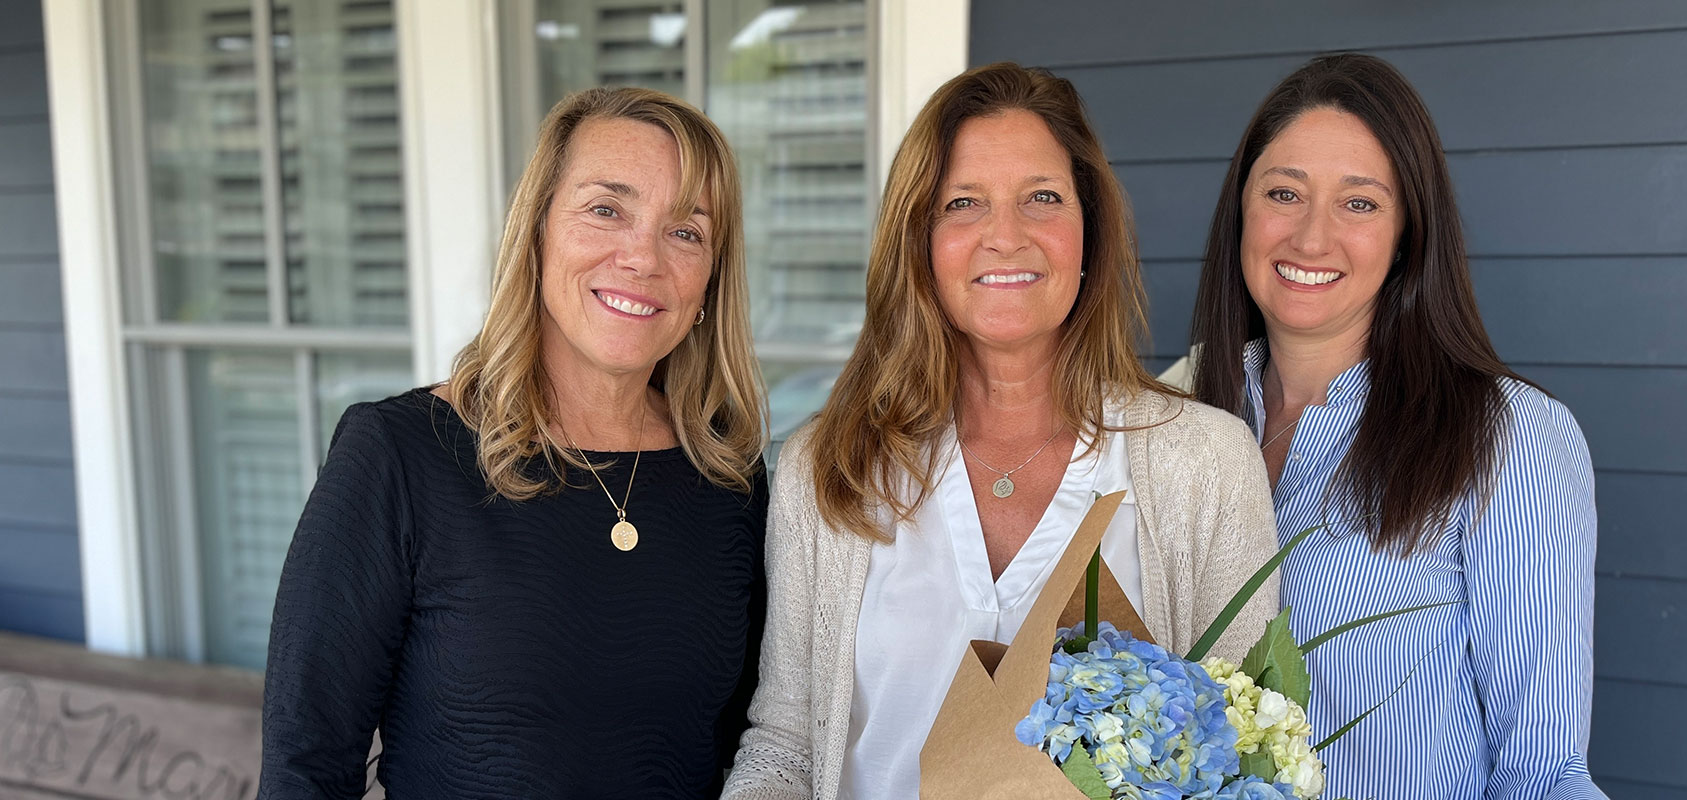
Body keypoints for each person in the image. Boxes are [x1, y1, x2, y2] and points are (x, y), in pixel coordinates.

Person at [719, 62, 1280, 800]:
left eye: (1042, 198)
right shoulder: (829, 468)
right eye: (963, 203)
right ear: (919, 238)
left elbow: (1243, 750)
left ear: (1091, 232)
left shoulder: (1204, 462)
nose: (1004, 237)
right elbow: (786, 747)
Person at [260, 87, 768, 799]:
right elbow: (304, 772)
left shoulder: (728, 478)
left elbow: (753, 744)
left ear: (710, 277)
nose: (642, 257)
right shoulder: (400, 455)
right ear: (535, 232)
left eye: (686, 231)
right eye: (606, 210)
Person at [1186, 53, 1605, 798]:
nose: (1311, 239)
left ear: (1409, 233)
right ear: (1241, 210)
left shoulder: (1507, 437)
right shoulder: (1173, 414)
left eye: (1359, 203)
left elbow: (1545, 773)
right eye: (1284, 193)